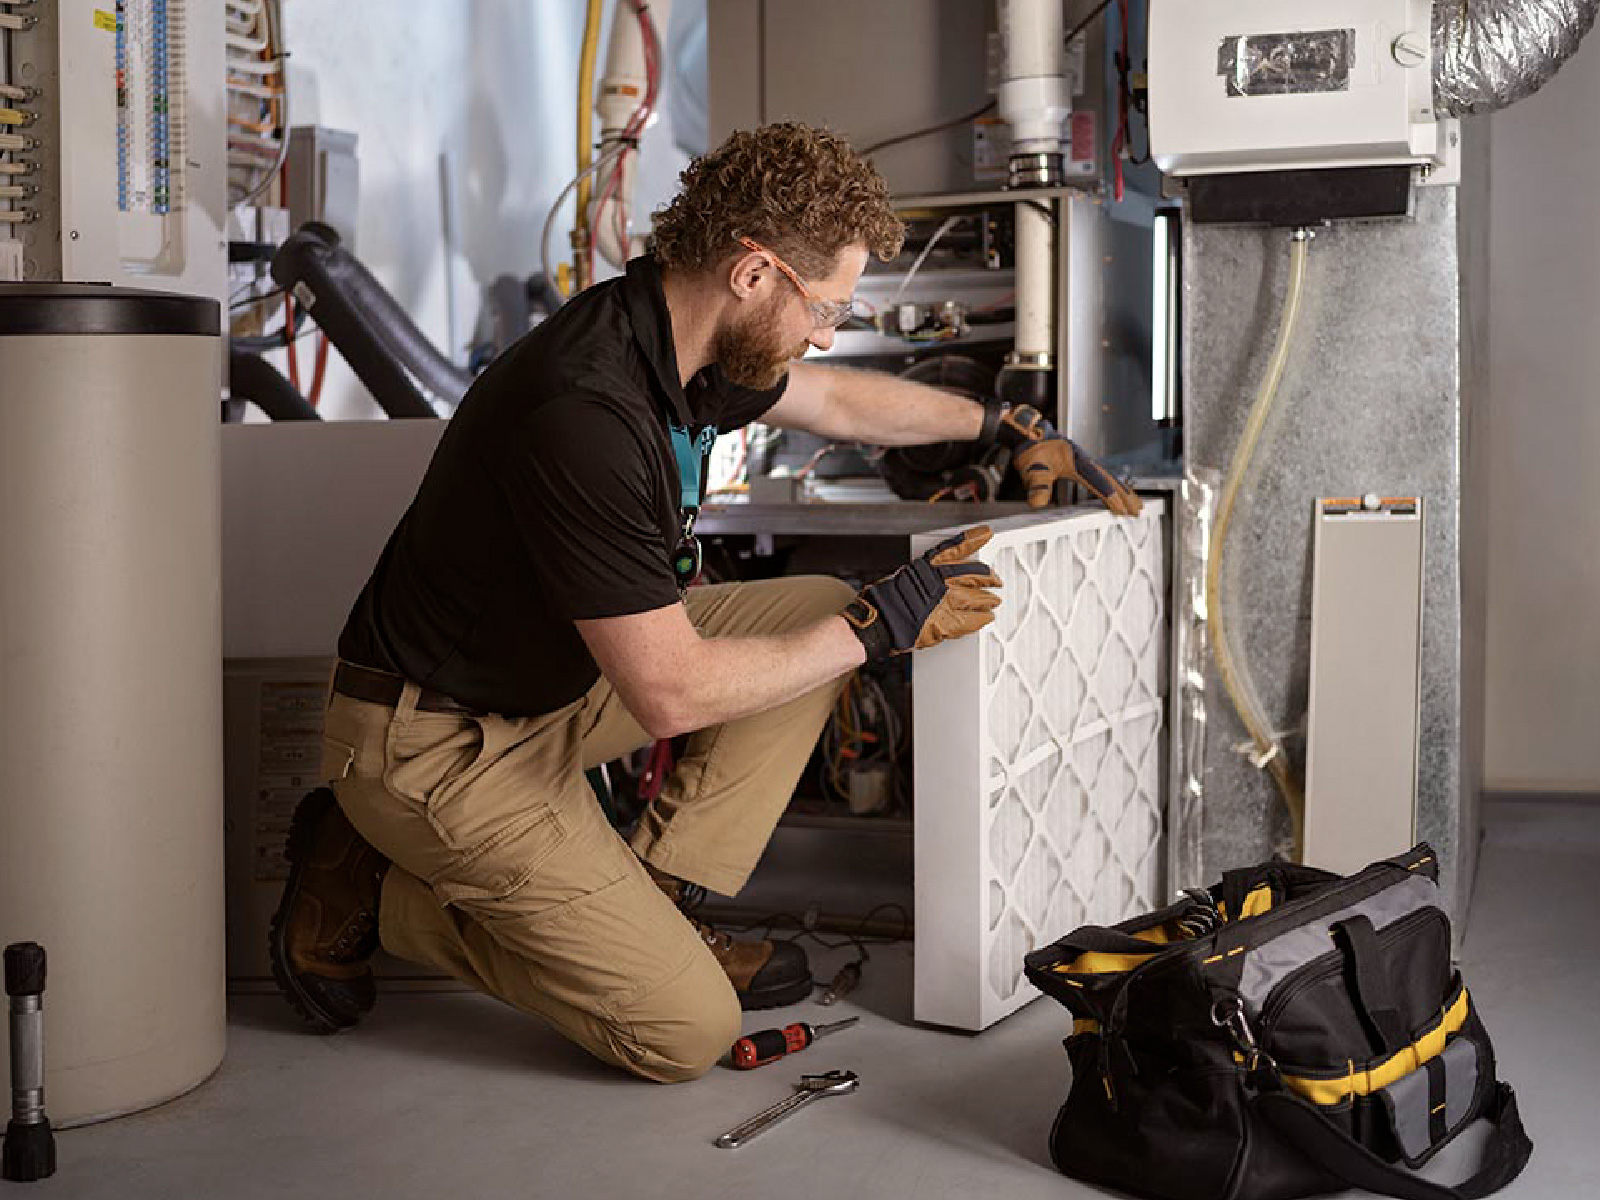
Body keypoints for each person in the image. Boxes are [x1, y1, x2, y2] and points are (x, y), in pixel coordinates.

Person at [269, 122, 1142, 1083]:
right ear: (755, 272)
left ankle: (650, 900)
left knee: (806, 604)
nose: (825, 332)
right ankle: (379, 880)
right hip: (434, 748)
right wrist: (877, 628)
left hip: (543, 689)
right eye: (828, 309)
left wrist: (1002, 423)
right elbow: (671, 698)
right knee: (682, 1033)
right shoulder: (585, 412)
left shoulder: (680, 342)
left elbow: (842, 405)